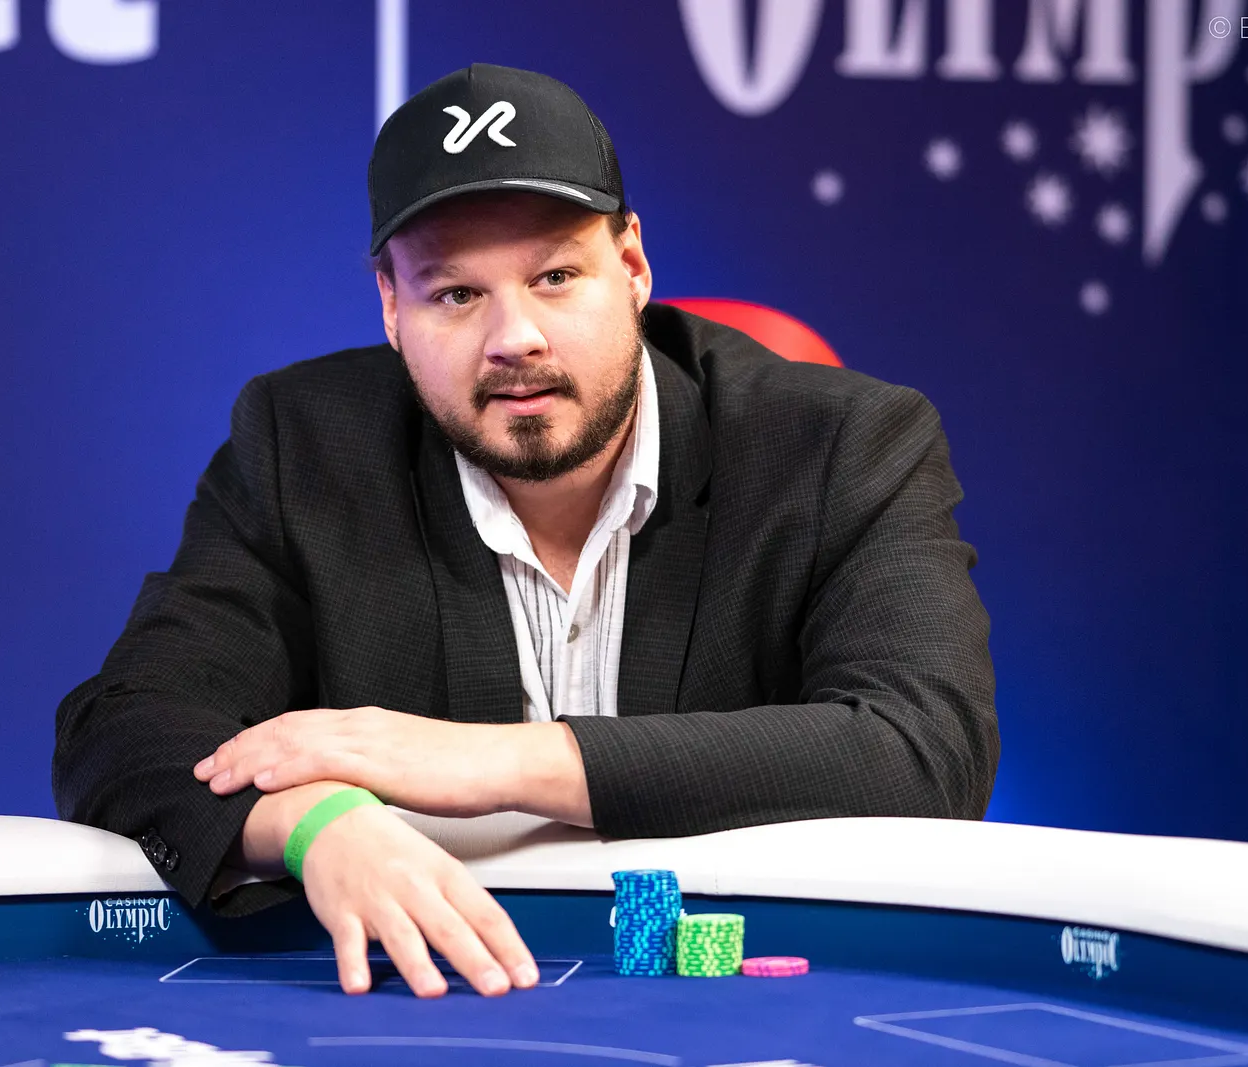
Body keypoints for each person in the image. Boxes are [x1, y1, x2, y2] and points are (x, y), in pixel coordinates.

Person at [53, 62, 998, 1001]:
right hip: (436, 1011)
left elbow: (924, 747)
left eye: (555, 276)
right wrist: (316, 824)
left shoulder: (841, 443)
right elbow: (122, 723)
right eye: (456, 294)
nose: (516, 337)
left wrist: (490, 760)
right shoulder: (302, 445)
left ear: (632, 267)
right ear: (391, 307)